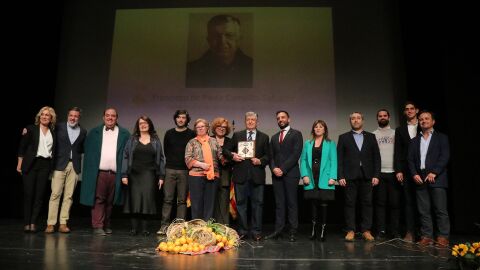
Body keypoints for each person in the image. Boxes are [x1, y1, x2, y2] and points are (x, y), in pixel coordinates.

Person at [79, 108, 130, 236]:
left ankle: (106, 224)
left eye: (113, 116)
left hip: (115, 174)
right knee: (99, 199)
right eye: (107, 115)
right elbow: (88, 152)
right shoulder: (94, 132)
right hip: (100, 173)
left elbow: (127, 155)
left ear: (117, 118)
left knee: (110, 200)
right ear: (103, 117)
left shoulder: (124, 133)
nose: (110, 118)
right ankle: (98, 225)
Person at [223, 112, 270, 241]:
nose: (250, 121)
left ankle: (256, 231)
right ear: (245, 121)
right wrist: (233, 156)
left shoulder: (264, 137)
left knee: (258, 205)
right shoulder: (238, 135)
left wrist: (260, 161)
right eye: (248, 119)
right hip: (240, 175)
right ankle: (242, 230)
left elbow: (268, 156)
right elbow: (225, 150)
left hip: (257, 176)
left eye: (253, 120)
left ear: (257, 122)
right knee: (241, 204)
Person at [408, 110, 450, 247]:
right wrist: (414, 174)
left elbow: (444, 157)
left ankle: (443, 236)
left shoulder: (442, 138)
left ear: (433, 122)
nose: (423, 121)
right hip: (420, 177)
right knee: (423, 210)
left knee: (440, 209)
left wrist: (434, 172)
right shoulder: (414, 141)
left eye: (427, 119)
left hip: (437, 177)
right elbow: (410, 160)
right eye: (421, 119)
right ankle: (427, 236)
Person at [337, 112, 381, 242]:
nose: (355, 120)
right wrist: (340, 176)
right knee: (350, 204)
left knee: (367, 203)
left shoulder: (371, 137)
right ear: (350, 121)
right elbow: (339, 159)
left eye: (358, 118)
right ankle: (350, 230)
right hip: (349, 176)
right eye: (353, 119)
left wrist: (376, 175)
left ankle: (366, 230)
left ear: (362, 120)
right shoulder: (343, 137)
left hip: (367, 175)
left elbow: (376, 158)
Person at [45, 107, 87, 234]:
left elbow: (82, 149)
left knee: (68, 196)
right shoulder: (58, 127)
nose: (73, 118)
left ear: (79, 118)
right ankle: (51, 224)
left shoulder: (83, 131)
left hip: (73, 166)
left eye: (76, 116)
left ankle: (63, 223)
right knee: (55, 194)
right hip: (59, 165)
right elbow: (45, 133)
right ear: (68, 116)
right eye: (71, 115)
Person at [121, 116, 165, 236]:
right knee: (134, 201)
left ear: (149, 124)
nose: (143, 125)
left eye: (145, 123)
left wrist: (161, 176)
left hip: (150, 174)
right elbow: (125, 156)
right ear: (138, 125)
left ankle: (145, 229)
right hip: (134, 174)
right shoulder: (132, 139)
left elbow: (161, 158)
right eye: (141, 123)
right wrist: (124, 174)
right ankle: (134, 229)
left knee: (147, 201)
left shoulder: (155, 140)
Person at [17, 106, 57, 233]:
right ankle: (26, 223)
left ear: (51, 119)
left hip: (45, 165)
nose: (45, 117)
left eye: (47, 115)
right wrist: (19, 164)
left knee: (39, 196)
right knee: (29, 194)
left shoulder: (53, 133)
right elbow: (22, 148)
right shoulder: (30, 129)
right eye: (43, 114)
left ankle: (33, 222)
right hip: (30, 164)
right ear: (39, 116)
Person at [185, 14, 253, 88]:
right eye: (216, 36)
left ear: (239, 40)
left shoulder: (253, 67)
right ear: (209, 40)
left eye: (229, 35)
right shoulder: (191, 70)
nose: (222, 42)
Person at [266, 110, 303, 242]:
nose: (280, 119)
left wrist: (282, 168)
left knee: (292, 203)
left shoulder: (297, 134)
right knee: (279, 204)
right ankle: (278, 230)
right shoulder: (274, 137)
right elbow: (271, 156)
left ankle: (293, 231)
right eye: (278, 118)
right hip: (277, 175)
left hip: (291, 174)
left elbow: (296, 154)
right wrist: (274, 168)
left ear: (289, 119)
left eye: (283, 117)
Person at [157, 110, 195, 235]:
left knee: (182, 200)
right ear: (175, 119)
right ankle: (164, 226)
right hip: (170, 169)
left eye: (183, 117)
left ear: (186, 119)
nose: (180, 120)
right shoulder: (169, 133)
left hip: (184, 170)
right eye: (178, 117)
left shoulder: (191, 134)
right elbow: (166, 151)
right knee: (167, 199)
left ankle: (180, 228)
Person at [300, 120, 337, 241]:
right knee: (313, 204)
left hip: (325, 178)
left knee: (324, 204)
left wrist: (333, 177)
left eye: (321, 127)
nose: (318, 128)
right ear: (313, 129)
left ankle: (323, 230)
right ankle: (313, 229)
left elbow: (333, 161)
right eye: (316, 127)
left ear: (324, 129)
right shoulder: (308, 143)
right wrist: (304, 175)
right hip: (311, 177)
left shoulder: (330, 143)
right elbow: (304, 160)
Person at [184, 119, 224, 221]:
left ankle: (207, 230)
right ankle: (197, 229)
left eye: (203, 126)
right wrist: (202, 165)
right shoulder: (192, 142)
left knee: (210, 205)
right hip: (196, 177)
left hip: (212, 177)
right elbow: (188, 159)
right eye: (198, 127)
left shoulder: (214, 141)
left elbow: (221, 157)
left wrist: (232, 156)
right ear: (195, 129)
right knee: (197, 204)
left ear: (207, 128)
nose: (201, 128)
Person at [372, 109, 402, 239]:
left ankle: (395, 231)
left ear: (389, 118)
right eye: (380, 116)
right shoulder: (372, 135)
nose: (382, 117)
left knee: (395, 204)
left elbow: (400, 154)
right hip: (379, 174)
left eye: (385, 115)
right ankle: (381, 230)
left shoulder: (396, 134)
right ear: (377, 118)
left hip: (394, 173)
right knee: (380, 204)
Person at [394, 101, 420, 242]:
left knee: (423, 202)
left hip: (423, 169)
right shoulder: (400, 129)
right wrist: (398, 170)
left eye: (411, 109)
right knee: (409, 202)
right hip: (406, 170)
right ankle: (410, 232)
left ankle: (425, 232)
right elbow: (397, 151)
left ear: (416, 110)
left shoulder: (423, 126)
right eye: (406, 109)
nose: (409, 111)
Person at [210, 117, 233, 225]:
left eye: (224, 127)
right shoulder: (209, 139)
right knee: (211, 202)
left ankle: (224, 227)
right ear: (214, 128)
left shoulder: (230, 141)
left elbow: (232, 158)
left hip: (225, 176)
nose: (222, 129)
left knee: (224, 203)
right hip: (210, 176)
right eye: (219, 126)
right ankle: (211, 226)